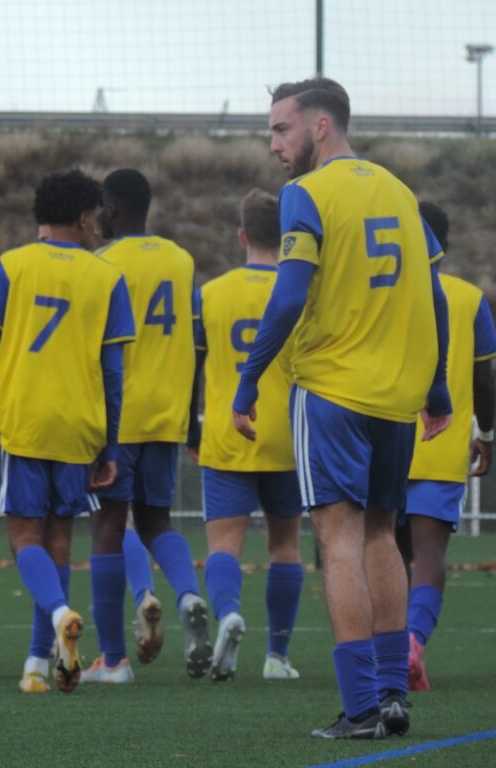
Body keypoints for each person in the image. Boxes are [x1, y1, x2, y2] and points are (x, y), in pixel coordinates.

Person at [231, 77, 452, 739]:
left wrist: (248, 381)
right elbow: (435, 296)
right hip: (396, 398)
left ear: (320, 126)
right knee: (383, 535)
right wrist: (437, 389)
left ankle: (359, 707)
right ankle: (392, 697)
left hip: (331, 391)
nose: (275, 144)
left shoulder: (306, 194)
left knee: (338, 540)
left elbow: (289, 294)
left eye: (281, 129)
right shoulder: (400, 192)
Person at [0, 168, 135, 694]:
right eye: (95, 217)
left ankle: (58, 615)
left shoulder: (10, 266)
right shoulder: (108, 277)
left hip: (26, 422)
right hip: (79, 427)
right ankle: (38, 663)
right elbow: (114, 374)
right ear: (82, 218)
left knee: (24, 539)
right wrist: (110, 446)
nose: (97, 225)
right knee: (59, 542)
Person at [83, 168, 210, 684]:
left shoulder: (103, 262)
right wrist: (191, 418)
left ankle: (113, 660)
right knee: (157, 521)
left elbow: (95, 344)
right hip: (168, 410)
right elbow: (192, 342)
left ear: (112, 210)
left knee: (108, 527)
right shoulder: (181, 260)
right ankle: (189, 595)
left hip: (119, 414)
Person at [190, 189, 304, 683]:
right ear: (287, 237)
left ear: (242, 236)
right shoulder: (301, 290)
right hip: (287, 437)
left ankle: (230, 613)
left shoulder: (209, 295)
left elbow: (192, 369)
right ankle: (277, 656)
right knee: (285, 547)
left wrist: (189, 430)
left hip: (228, 435)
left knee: (223, 546)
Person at [396, 202, 496, 692]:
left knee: (387, 554)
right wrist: (487, 434)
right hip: (440, 445)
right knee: (429, 553)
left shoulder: (384, 294)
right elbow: (484, 379)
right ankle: (412, 642)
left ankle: (389, 651)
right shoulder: (469, 299)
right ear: (445, 245)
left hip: (384, 443)